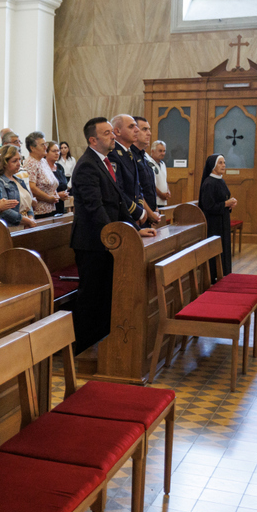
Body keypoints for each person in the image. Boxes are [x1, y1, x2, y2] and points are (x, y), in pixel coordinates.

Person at [70, 117, 156, 355]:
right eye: (107, 133)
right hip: (92, 241)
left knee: (105, 293)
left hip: (108, 240)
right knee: (91, 295)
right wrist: (116, 235)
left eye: (112, 132)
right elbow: (95, 207)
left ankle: (101, 343)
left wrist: (135, 229)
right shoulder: (87, 165)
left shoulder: (107, 162)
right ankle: (83, 347)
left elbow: (118, 202)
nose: (113, 136)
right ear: (93, 140)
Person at [108, 114, 154, 225]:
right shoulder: (113, 154)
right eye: (131, 126)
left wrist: (140, 210)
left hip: (134, 216)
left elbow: (137, 187)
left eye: (136, 126)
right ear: (117, 131)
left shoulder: (129, 153)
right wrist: (138, 212)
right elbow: (118, 191)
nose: (136, 130)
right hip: (124, 217)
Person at [199, 154, 236, 281]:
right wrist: (226, 204)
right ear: (213, 166)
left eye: (224, 162)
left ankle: (224, 275)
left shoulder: (220, 180)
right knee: (216, 250)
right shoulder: (209, 183)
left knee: (224, 247)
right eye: (220, 163)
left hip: (223, 221)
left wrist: (230, 205)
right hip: (213, 224)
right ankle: (214, 277)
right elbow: (208, 207)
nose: (223, 165)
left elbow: (223, 200)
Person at [0, 145, 36, 228]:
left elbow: (28, 204)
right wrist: (27, 220)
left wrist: (31, 217)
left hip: (26, 224)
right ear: (4, 163)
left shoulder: (19, 180)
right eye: (14, 161)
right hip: (12, 226)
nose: (19, 164)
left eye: (19, 160)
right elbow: (5, 211)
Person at [24, 132, 63, 218]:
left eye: (45, 144)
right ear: (32, 148)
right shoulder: (30, 163)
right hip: (39, 211)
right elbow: (31, 187)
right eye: (42, 145)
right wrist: (48, 198)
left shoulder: (43, 161)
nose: (46, 147)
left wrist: (55, 195)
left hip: (51, 208)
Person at [132, 117, 158, 212]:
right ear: (134, 131)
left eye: (149, 129)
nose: (149, 133)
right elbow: (137, 190)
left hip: (151, 211)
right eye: (144, 129)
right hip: (140, 212)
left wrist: (155, 207)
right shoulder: (130, 156)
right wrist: (150, 213)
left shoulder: (144, 156)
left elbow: (149, 186)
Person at [146, 140, 170, 207]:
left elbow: (164, 180)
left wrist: (168, 191)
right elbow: (150, 183)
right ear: (152, 151)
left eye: (164, 151)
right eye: (160, 151)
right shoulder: (148, 163)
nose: (163, 153)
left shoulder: (163, 164)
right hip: (154, 200)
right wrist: (161, 194)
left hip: (163, 201)